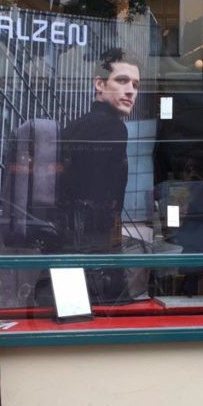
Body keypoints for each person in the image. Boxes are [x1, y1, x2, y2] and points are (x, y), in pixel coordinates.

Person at [58, 48, 139, 255]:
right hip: (89, 241)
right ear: (99, 84)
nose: (130, 91)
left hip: (64, 237)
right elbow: (101, 194)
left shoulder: (76, 125)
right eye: (122, 81)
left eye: (135, 85)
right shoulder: (113, 128)